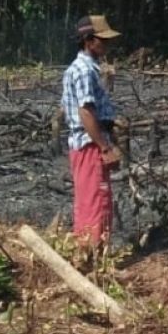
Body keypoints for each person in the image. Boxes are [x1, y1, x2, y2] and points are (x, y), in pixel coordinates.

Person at [61, 15, 122, 250]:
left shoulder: (85, 69)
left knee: (90, 201)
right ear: (88, 40)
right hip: (89, 145)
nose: (106, 45)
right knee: (96, 202)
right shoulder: (84, 71)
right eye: (101, 40)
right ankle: (93, 259)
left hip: (89, 143)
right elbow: (86, 111)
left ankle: (90, 255)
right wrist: (105, 148)